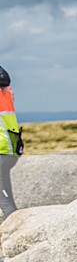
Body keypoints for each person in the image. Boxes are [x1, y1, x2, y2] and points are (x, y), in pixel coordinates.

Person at [0, 65, 21, 218]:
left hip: (2, 146)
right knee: (4, 186)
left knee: (4, 196)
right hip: (11, 145)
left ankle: (11, 217)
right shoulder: (7, 91)